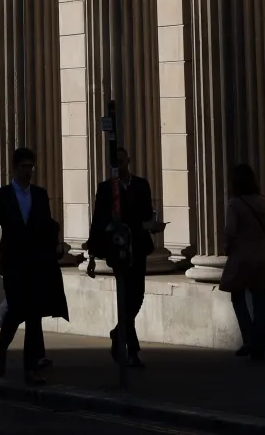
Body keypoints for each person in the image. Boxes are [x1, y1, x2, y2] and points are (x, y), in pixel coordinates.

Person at [0, 147, 67, 384]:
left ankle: (31, 367)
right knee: (18, 309)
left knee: (34, 313)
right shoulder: (2, 195)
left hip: (36, 262)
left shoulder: (40, 194)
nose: (29, 172)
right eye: (25, 167)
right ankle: (2, 346)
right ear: (15, 168)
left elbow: (47, 226)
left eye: (31, 167)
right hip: (14, 264)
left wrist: (56, 245)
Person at [89, 145, 156, 368]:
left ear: (129, 161)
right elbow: (98, 220)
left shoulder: (141, 185)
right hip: (118, 250)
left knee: (137, 296)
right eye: (116, 163)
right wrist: (92, 253)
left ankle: (119, 333)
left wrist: (152, 225)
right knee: (125, 297)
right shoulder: (107, 189)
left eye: (123, 161)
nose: (120, 166)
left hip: (138, 247)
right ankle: (132, 349)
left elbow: (148, 213)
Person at [219, 162, 265, 362]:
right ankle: (261, 343)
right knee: (260, 299)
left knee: (237, 296)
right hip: (262, 254)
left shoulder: (235, 204)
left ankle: (249, 338)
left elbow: (230, 230)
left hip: (242, 255)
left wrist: (226, 246)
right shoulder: (264, 202)